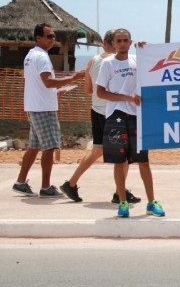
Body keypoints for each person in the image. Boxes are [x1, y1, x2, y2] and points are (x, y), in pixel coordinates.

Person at [60, 30, 141, 204]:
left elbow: (88, 90)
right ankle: (120, 192)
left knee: (97, 151)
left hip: (96, 110)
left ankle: (72, 183)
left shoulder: (93, 61)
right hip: (113, 112)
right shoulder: (117, 63)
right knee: (124, 154)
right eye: (118, 41)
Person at [96, 28, 165, 218]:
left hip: (137, 117)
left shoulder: (137, 60)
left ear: (130, 41)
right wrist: (126, 98)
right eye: (119, 41)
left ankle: (151, 202)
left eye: (126, 40)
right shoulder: (107, 64)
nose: (122, 44)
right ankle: (123, 201)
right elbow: (100, 92)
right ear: (113, 43)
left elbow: (157, 63)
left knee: (143, 161)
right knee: (119, 162)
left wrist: (147, 48)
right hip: (115, 116)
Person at [13, 24, 85, 197]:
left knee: (34, 146)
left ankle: (21, 182)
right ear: (38, 38)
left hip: (35, 105)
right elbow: (48, 82)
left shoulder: (30, 56)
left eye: (53, 36)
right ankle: (45, 187)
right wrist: (72, 78)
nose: (53, 39)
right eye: (49, 36)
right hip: (44, 108)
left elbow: (39, 84)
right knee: (50, 146)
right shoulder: (42, 57)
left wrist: (55, 91)